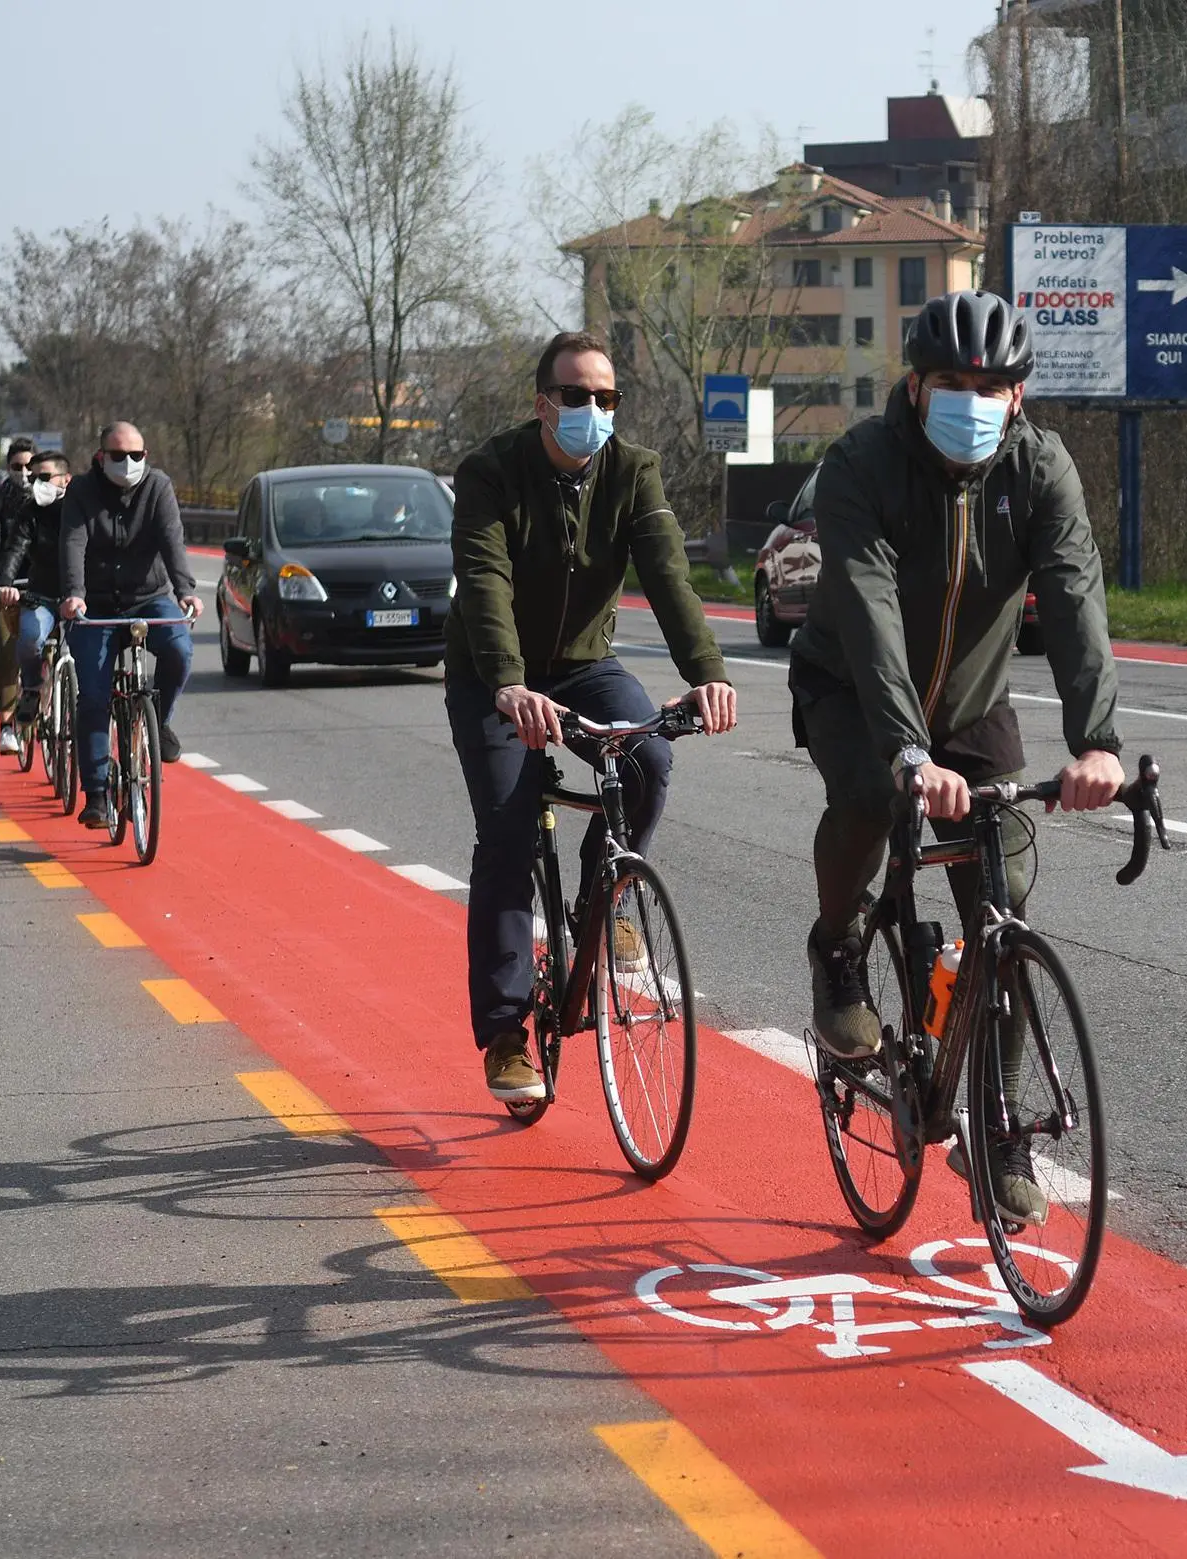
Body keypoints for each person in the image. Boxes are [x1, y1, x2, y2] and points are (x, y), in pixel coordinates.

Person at [790, 289, 1124, 1226]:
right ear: (914, 383)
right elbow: (868, 613)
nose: (968, 400)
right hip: (853, 690)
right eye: (949, 383)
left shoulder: (1041, 468)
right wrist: (901, 749)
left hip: (973, 708)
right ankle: (840, 950)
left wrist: (1094, 740)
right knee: (864, 796)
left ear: (1016, 396)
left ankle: (1003, 1127)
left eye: (989, 385)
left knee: (1002, 901)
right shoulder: (861, 461)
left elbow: (1072, 600)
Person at [444, 330, 738, 1104]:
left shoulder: (632, 471)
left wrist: (706, 674)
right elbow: (482, 580)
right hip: (492, 676)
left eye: (606, 397)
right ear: (543, 404)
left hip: (583, 665)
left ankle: (601, 901)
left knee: (648, 757)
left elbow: (669, 575)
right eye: (576, 396)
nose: (592, 409)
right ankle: (507, 1032)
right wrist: (507, 684)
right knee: (507, 832)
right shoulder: (489, 472)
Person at [59, 421, 203, 829]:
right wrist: (74, 593)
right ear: (100, 456)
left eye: (136, 455)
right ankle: (98, 795)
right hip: (96, 605)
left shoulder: (158, 487)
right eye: (119, 455)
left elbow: (172, 538)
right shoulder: (82, 491)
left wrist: (186, 591)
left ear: (147, 456)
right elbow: (73, 543)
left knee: (179, 650)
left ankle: (157, 719)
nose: (128, 463)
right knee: (93, 696)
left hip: (149, 597)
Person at [0, 450, 72, 738]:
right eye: (33, 476)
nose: (36, 482)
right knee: (29, 638)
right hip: (41, 594)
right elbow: (16, 548)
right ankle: (30, 688)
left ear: (66, 480)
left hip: (79, 597)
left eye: (44, 476)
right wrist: (6, 582)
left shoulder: (81, 510)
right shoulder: (30, 512)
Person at [0, 436, 37, 753]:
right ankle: (7, 725)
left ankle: (54, 700)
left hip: (43, 586)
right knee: (8, 653)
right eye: (17, 467)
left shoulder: (51, 497)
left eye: (30, 466)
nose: (24, 473)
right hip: (4, 585)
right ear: (8, 468)